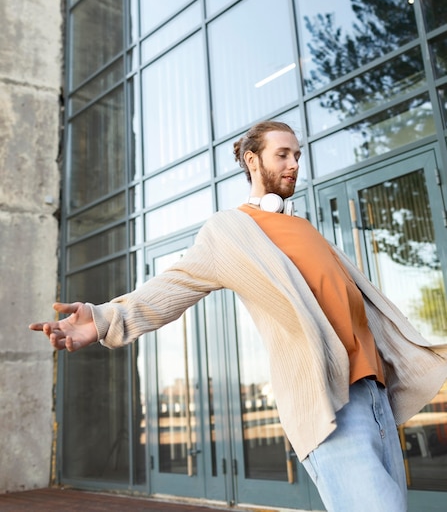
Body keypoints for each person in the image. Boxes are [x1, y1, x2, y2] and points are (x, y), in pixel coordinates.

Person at [30, 121, 447, 512]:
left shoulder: (302, 227)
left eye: (297, 155)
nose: (294, 164)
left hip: (374, 393)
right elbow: (174, 285)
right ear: (253, 160)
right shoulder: (231, 230)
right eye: (282, 154)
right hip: (330, 399)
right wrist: (102, 318)